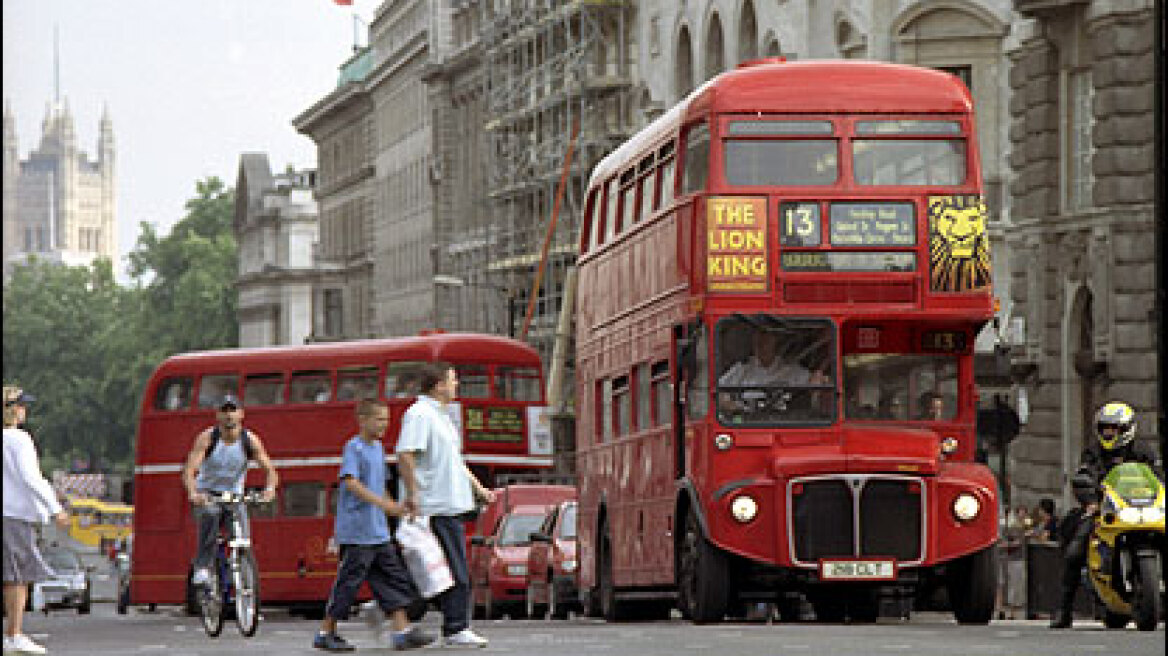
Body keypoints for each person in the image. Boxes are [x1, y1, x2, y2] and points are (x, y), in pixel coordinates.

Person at [313, 399, 434, 652]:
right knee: (348, 584)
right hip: (357, 532)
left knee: (395, 578)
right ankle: (326, 632)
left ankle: (402, 632)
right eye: (379, 419)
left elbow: (380, 487)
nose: (384, 425)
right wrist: (383, 505)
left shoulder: (379, 448)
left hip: (378, 532)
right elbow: (351, 483)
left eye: (387, 420)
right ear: (363, 419)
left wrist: (398, 508)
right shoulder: (353, 448)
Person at [396, 364, 495, 648]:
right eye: (453, 380)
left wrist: (478, 489)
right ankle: (455, 627)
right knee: (453, 571)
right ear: (438, 385)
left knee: (431, 573)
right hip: (433, 506)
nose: (457, 385)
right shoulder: (419, 414)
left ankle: (388, 610)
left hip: (449, 504)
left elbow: (455, 462)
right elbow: (405, 454)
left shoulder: (441, 417)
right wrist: (414, 494)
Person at [1049, 401, 1163, 629]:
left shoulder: (1143, 452)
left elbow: (1158, 477)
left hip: (1142, 508)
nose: (1109, 433)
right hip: (1106, 509)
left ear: (1127, 429)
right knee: (1075, 550)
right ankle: (1064, 609)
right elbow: (1083, 476)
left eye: (1114, 429)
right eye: (1105, 428)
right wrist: (1090, 500)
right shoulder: (1092, 452)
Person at [181, 394, 278, 588]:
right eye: (224, 411)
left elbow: (270, 471)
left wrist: (269, 490)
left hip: (234, 496)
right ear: (217, 415)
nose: (229, 416)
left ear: (241, 414)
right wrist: (193, 493)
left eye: (232, 410)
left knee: (242, 537)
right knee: (210, 514)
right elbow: (189, 471)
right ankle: (203, 567)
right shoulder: (207, 438)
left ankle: (244, 577)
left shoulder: (249, 440)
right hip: (207, 494)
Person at [3, 386, 69, 655]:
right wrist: (55, 508)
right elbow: (32, 478)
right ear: (12, 409)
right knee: (17, 577)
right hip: (13, 514)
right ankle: (14, 633)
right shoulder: (18, 439)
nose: (25, 411)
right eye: (21, 406)